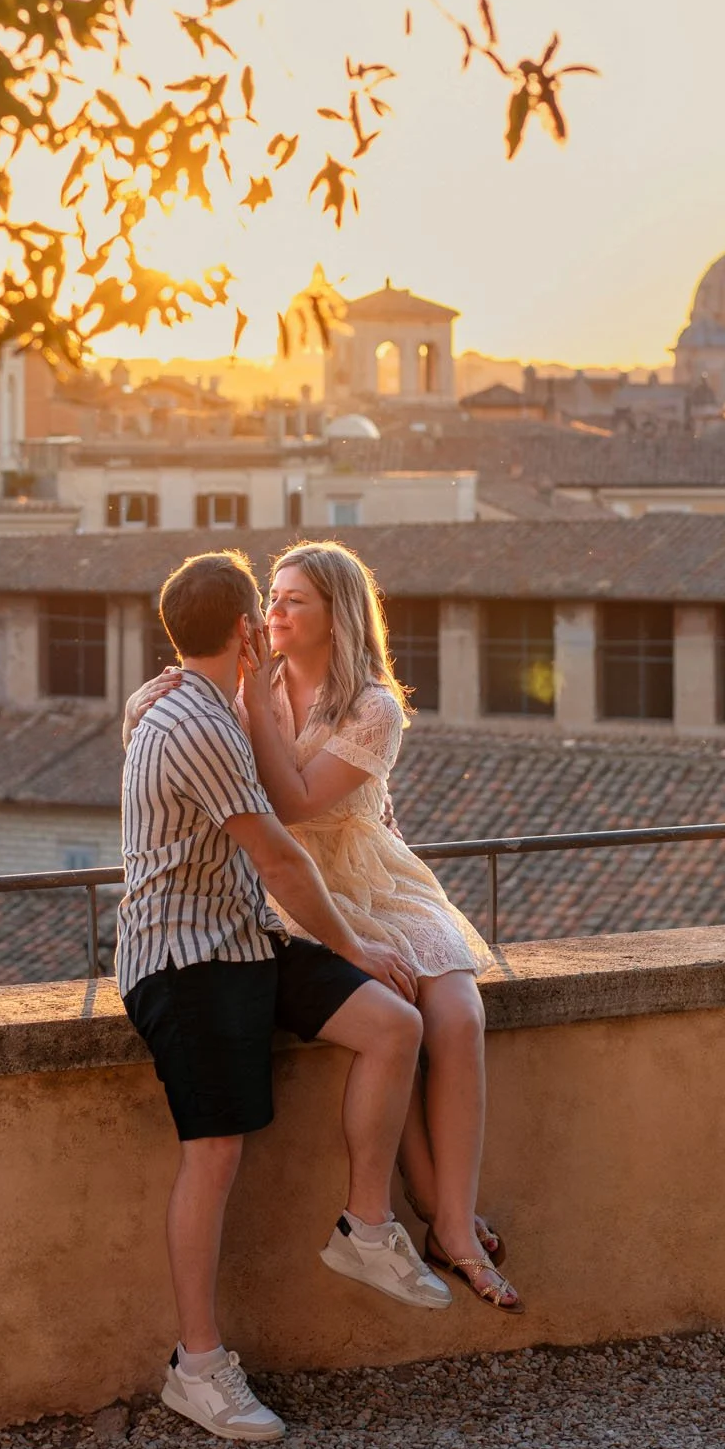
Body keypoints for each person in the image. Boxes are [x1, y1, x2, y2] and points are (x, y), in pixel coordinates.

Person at [118, 548, 452, 1449]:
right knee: (214, 1153)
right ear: (240, 631)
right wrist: (354, 942)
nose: (271, 620)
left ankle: (367, 1227)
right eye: (261, 611)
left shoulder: (200, 701)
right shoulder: (195, 721)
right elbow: (278, 853)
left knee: (393, 1024)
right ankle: (197, 1368)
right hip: (182, 959)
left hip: (243, 937)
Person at [242, 543, 521, 1313]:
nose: (275, 610)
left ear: (336, 613)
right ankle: (447, 1225)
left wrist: (244, 702)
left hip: (373, 871)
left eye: (294, 599)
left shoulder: (373, 705)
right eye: (273, 594)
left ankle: (450, 1219)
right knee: (389, 1012)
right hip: (295, 884)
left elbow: (299, 800)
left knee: (458, 1014)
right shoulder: (250, 686)